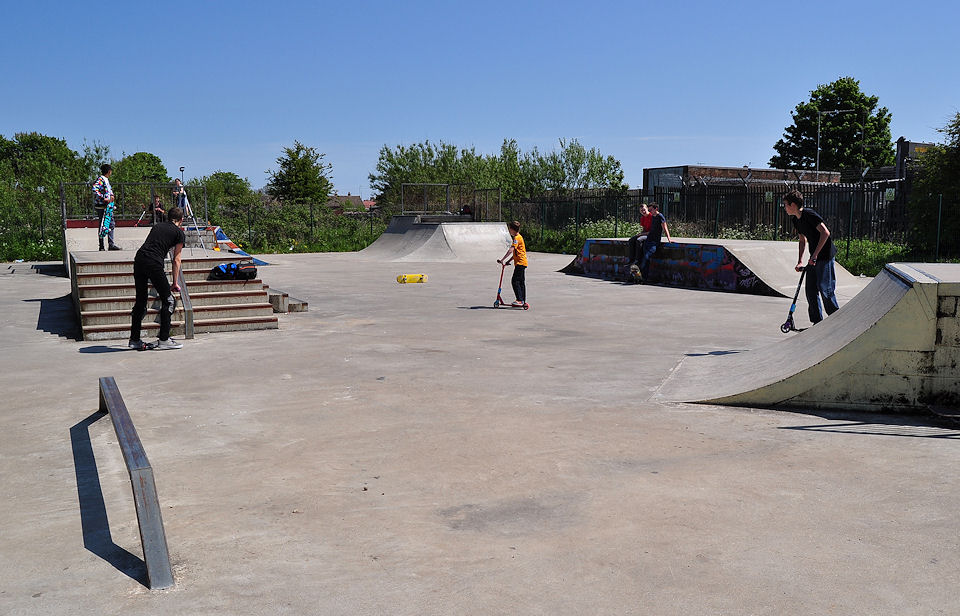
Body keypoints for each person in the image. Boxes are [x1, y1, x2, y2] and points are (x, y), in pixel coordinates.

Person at [129, 206, 186, 350]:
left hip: (139, 259)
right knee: (169, 300)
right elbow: (176, 259)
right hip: (153, 263)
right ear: (181, 220)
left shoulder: (157, 226)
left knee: (141, 301)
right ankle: (164, 339)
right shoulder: (179, 233)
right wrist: (174, 282)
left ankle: (134, 339)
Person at [782, 189, 839, 324]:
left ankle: (837, 320)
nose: (785, 208)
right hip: (813, 258)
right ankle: (817, 322)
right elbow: (802, 240)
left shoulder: (809, 214)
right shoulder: (796, 220)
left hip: (824, 256)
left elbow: (825, 233)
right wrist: (800, 261)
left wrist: (814, 255)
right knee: (810, 290)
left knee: (825, 288)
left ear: (793, 205)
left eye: (786, 205)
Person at [636, 203, 672, 282]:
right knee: (645, 257)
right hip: (648, 240)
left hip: (654, 241)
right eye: (649, 210)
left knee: (646, 257)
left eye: (651, 210)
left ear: (656, 209)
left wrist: (669, 239)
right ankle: (642, 276)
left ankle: (642, 275)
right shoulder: (652, 217)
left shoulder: (660, 216)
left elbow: (665, 228)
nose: (650, 212)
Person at [497, 220, 528, 307]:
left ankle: (519, 300)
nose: (509, 231)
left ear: (512, 230)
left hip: (520, 263)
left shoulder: (516, 238)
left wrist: (502, 259)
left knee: (515, 281)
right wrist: (508, 261)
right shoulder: (519, 237)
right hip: (522, 262)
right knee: (521, 282)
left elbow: (511, 250)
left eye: (509, 229)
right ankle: (522, 300)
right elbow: (516, 253)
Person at [93, 163, 120, 251]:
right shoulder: (101, 179)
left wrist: (111, 196)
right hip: (102, 206)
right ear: (109, 171)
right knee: (104, 225)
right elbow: (94, 189)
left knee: (109, 224)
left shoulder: (106, 180)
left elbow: (108, 191)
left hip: (108, 206)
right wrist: (103, 198)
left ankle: (109, 244)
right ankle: (102, 245)